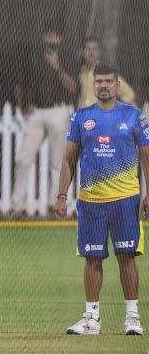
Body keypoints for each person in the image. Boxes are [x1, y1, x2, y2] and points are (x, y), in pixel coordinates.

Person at [55, 62, 146, 336]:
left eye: (108, 81)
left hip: (125, 199)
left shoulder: (134, 116)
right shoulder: (81, 117)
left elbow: (147, 157)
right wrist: (61, 195)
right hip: (91, 201)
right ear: (93, 85)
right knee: (92, 258)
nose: (103, 85)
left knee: (126, 257)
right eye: (99, 81)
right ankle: (91, 319)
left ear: (118, 85)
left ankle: (132, 317)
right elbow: (69, 159)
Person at [11, 24, 77, 216]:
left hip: (59, 110)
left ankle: (54, 205)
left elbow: (74, 87)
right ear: (43, 37)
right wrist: (23, 106)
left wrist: (58, 67)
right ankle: (17, 206)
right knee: (24, 158)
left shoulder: (68, 58)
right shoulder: (32, 57)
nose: (52, 39)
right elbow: (21, 84)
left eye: (55, 36)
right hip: (37, 111)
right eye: (48, 35)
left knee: (57, 162)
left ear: (60, 39)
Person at [76, 37, 135, 108]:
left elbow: (129, 94)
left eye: (94, 49)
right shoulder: (82, 71)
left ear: (99, 52)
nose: (91, 52)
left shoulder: (106, 72)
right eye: (88, 49)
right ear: (83, 52)